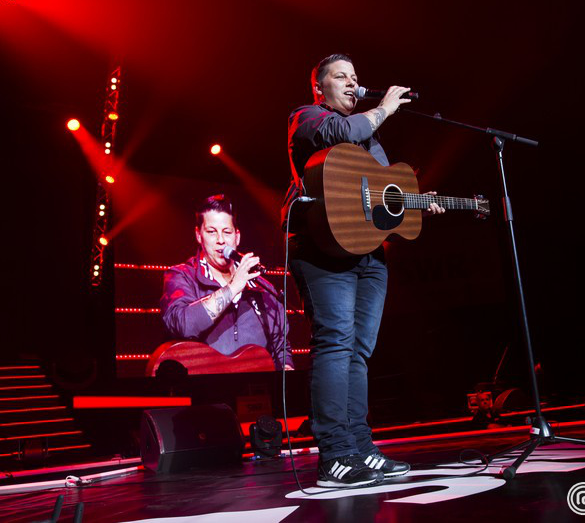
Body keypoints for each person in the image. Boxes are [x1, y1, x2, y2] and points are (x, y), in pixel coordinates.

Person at [285, 54, 444, 488]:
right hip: (321, 249)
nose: (354, 84)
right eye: (342, 77)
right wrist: (384, 109)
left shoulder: (370, 141)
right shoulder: (308, 118)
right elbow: (340, 131)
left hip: (367, 255)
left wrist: (412, 205)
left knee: (358, 350)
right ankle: (334, 455)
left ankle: (359, 447)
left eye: (356, 77)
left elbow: (379, 201)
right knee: (335, 343)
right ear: (319, 88)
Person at [161, 194, 293, 371]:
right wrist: (232, 288)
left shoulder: (259, 286)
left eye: (227, 232)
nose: (221, 240)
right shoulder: (182, 275)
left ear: (237, 237)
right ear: (198, 235)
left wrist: (287, 367)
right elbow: (183, 325)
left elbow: (280, 347)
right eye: (211, 232)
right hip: (205, 391)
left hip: (255, 392)